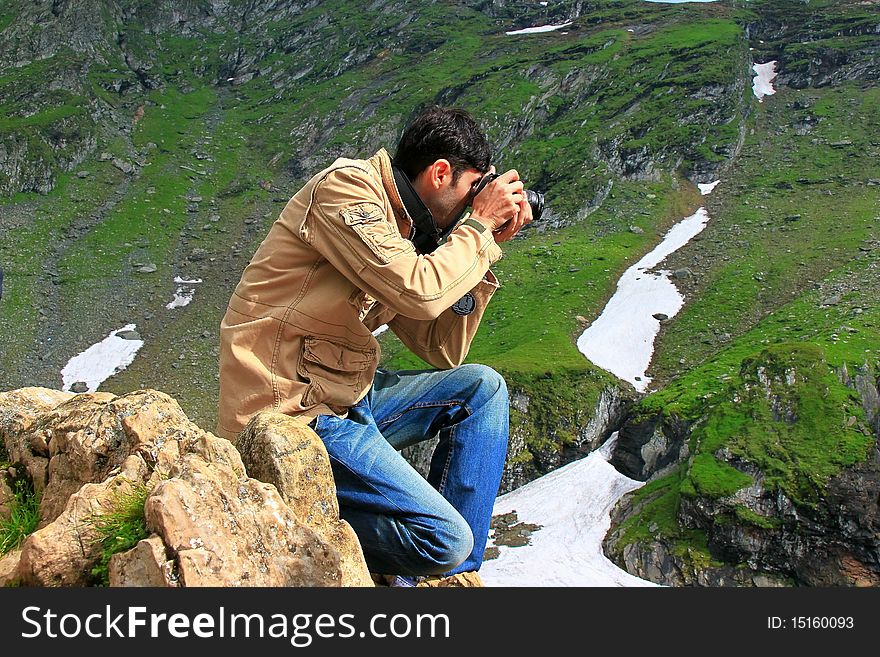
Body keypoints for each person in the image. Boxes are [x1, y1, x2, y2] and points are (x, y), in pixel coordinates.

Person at [216, 106, 532, 585]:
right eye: (473, 191)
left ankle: (450, 578)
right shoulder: (346, 190)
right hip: (288, 409)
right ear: (440, 172)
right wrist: (478, 229)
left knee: (481, 390)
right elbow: (418, 290)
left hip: (346, 398)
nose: (474, 205)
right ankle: (300, 522)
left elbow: (440, 347)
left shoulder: (410, 231)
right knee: (443, 538)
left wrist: (482, 251)